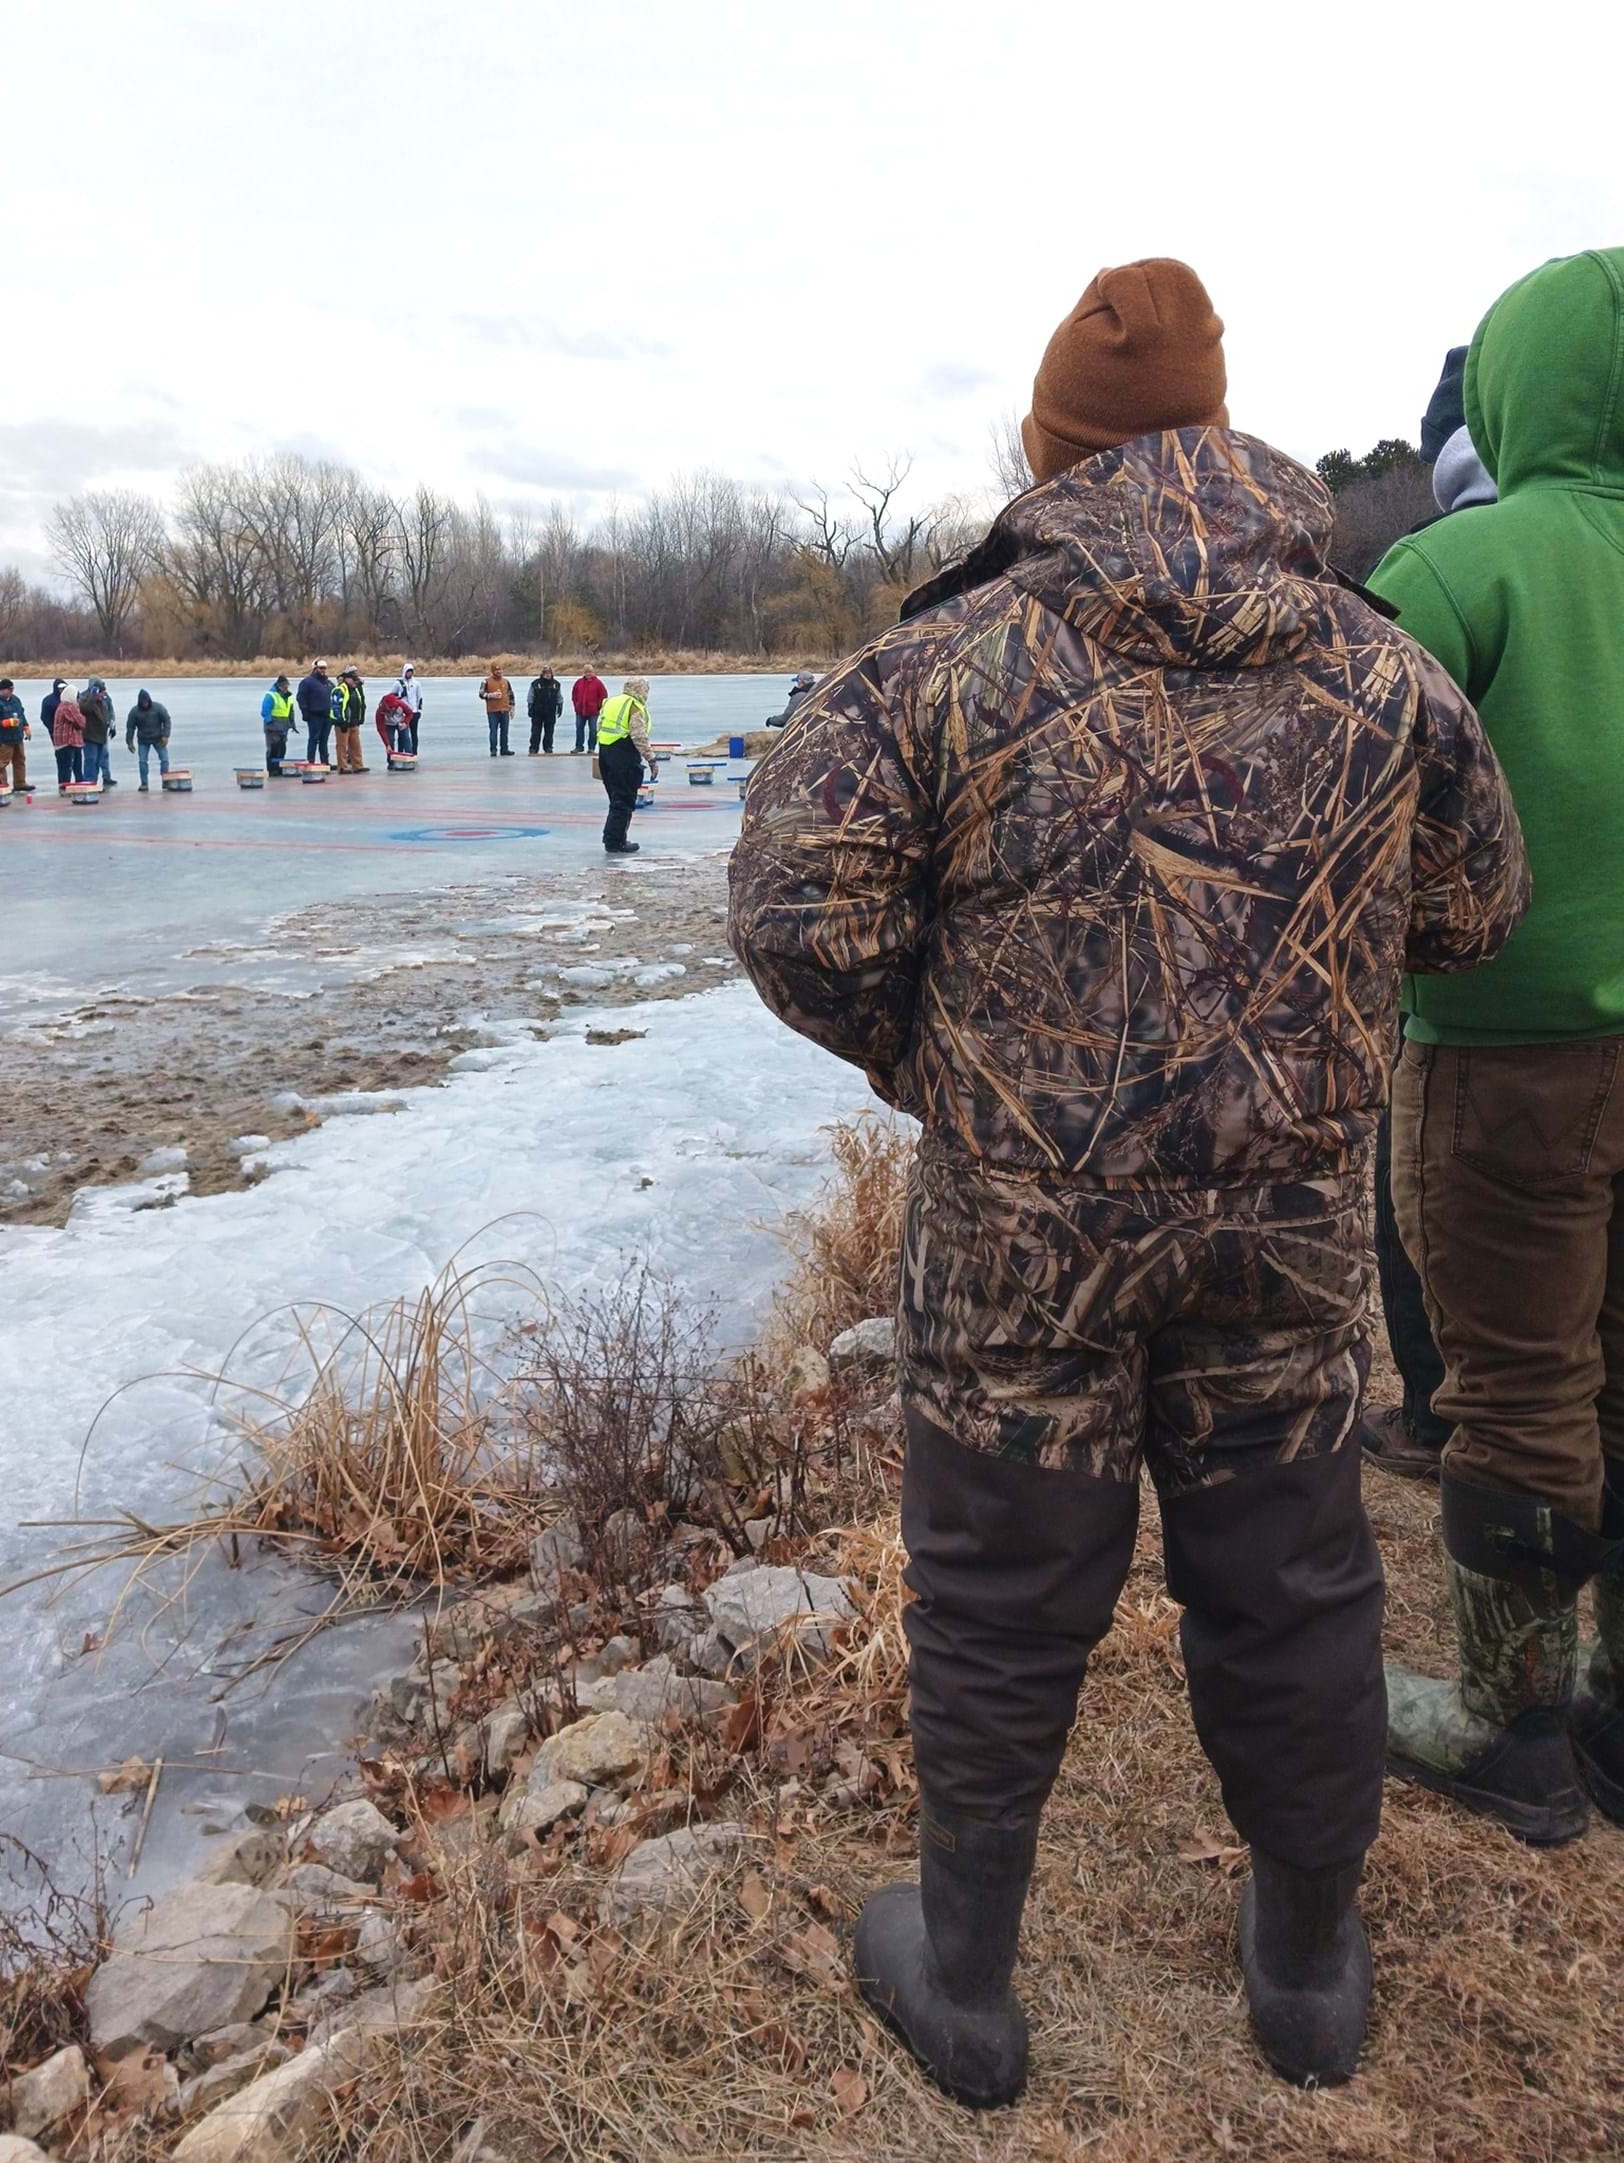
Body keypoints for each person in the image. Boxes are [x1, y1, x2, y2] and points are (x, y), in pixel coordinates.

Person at [729, 259, 1528, 2101]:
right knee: (1299, 1575)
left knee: (1003, 1589)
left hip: (1026, 1242)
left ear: (1050, 446)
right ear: (1222, 433)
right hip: (1283, 1228)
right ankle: (1310, 1974)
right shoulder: (1374, 659)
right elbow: (1479, 907)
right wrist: (1312, 1003)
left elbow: (792, 913)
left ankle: (973, 1981)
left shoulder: (944, 663)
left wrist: (946, 1058)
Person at [1368, 248, 1624, 1847]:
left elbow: (1337, 764)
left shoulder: (1470, 569)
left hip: (1504, 1062)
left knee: (1520, 1381)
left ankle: (1515, 1719)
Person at [1361, 346, 1492, 1486]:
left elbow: (1363, 781)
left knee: (1415, 1209)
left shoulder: (1441, 574)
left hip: (1472, 1002)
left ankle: (1437, 1415)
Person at [595, 676, 658, 854]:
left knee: (615, 799)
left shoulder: (611, 702)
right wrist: (651, 759)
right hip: (623, 754)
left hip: (605, 752)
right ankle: (615, 841)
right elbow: (638, 736)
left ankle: (613, 836)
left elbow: (599, 725)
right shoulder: (634, 707)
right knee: (623, 799)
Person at [0, 678, 29, 794]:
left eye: (12, 689)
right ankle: (2, 785)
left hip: (17, 737)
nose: (11, 691)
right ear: (2, 690)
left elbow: (21, 714)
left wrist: (26, 726)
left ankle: (20, 783)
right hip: (4, 739)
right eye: (9, 689)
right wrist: (4, 723)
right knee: (1, 764)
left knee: (20, 761)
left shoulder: (16, 700)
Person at [125, 689, 173, 789]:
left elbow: (167, 720)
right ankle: (144, 783)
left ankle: (165, 780)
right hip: (143, 740)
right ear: (140, 702)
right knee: (142, 761)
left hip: (158, 739)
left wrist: (166, 735)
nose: (145, 704)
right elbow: (130, 727)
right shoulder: (134, 712)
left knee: (164, 759)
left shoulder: (158, 708)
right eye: (143, 702)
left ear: (149, 700)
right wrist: (129, 742)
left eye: (146, 701)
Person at [78, 678, 116, 786]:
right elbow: (86, 709)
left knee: (98, 762)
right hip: (90, 737)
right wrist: (93, 696)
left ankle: (94, 782)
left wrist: (112, 725)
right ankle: (88, 783)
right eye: (102, 693)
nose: (103, 695)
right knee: (91, 761)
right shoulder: (85, 699)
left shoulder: (103, 702)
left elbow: (108, 714)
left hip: (101, 738)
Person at [297, 661, 334, 767]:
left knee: (324, 740)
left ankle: (325, 761)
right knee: (314, 739)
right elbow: (301, 698)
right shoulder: (307, 682)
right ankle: (311, 760)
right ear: (315, 668)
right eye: (321, 668)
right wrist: (305, 712)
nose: (323, 670)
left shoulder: (329, 683)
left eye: (324, 668)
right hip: (314, 715)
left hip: (327, 716)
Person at [334, 666, 369, 773]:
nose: (355, 682)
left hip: (353, 723)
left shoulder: (355, 690)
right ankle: (342, 767)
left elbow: (360, 704)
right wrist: (341, 721)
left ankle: (358, 765)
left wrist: (359, 718)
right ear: (348, 679)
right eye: (354, 680)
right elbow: (336, 707)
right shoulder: (340, 689)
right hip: (343, 724)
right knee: (342, 746)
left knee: (356, 746)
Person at [51, 688, 86, 786]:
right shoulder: (68, 707)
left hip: (69, 743)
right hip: (67, 743)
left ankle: (68, 786)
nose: (78, 699)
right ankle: (67, 788)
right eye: (77, 697)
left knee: (66, 768)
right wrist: (80, 716)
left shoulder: (61, 706)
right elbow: (81, 722)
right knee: (68, 768)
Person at [261, 674, 295, 775]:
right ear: (279, 686)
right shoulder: (271, 695)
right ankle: (272, 769)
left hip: (283, 726)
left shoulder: (289, 696)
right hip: (273, 727)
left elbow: (290, 711)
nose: (286, 688)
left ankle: (280, 768)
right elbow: (265, 710)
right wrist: (270, 722)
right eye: (284, 687)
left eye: (287, 687)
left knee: (282, 748)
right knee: (273, 748)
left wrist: (292, 723)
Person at [526, 666, 564, 755]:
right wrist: (530, 707)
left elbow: (559, 697)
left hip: (550, 712)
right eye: (546, 673)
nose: (548, 675)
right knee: (536, 731)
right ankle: (533, 748)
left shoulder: (556, 684)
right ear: (542, 674)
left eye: (549, 673)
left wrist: (560, 706)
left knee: (549, 731)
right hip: (537, 712)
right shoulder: (535, 684)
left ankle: (548, 747)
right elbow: (530, 696)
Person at [480, 661, 515, 756]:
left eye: (500, 669)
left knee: (505, 731)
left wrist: (512, 707)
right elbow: (481, 694)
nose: (499, 672)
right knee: (493, 731)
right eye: (496, 670)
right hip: (492, 711)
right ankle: (493, 750)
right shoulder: (486, 681)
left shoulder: (506, 681)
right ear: (492, 671)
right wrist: (491, 695)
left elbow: (511, 694)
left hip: (504, 710)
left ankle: (504, 749)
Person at [571, 666, 608, 754]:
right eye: (586, 672)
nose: (588, 674)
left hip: (593, 712)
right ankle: (579, 747)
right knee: (579, 729)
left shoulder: (598, 683)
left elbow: (604, 695)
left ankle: (591, 748)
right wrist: (576, 706)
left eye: (590, 672)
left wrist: (598, 706)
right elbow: (574, 695)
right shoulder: (579, 682)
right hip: (580, 711)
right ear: (583, 673)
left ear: (592, 672)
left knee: (593, 730)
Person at [374, 688, 413, 766]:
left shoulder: (401, 704)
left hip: (401, 722)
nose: (392, 709)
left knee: (406, 739)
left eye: (393, 707)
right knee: (390, 741)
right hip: (388, 725)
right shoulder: (380, 712)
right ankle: (391, 762)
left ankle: (409, 760)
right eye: (390, 707)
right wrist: (387, 744)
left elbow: (410, 713)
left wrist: (405, 722)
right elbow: (381, 729)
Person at [394, 663, 424, 750]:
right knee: (402, 733)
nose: (410, 674)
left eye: (411, 672)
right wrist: (400, 695)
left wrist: (419, 710)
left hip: (413, 712)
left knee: (414, 733)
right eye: (408, 672)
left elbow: (419, 697)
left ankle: (414, 751)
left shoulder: (416, 684)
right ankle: (400, 750)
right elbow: (392, 696)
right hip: (402, 713)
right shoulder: (398, 683)